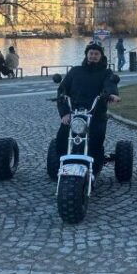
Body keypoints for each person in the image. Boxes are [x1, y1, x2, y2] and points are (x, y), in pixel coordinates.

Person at [55, 42, 120, 177]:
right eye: (91, 53)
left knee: (96, 141)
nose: (93, 56)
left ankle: (94, 170)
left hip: (96, 113)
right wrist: (65, 113)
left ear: (101, 56)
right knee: (61, 138)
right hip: (74, 113)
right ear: (86, 55)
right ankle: (59, 165)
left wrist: (112, 95)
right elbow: (62, 91)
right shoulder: (75, 71)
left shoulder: (106, 73)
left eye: (96, 54)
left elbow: (110, 84)